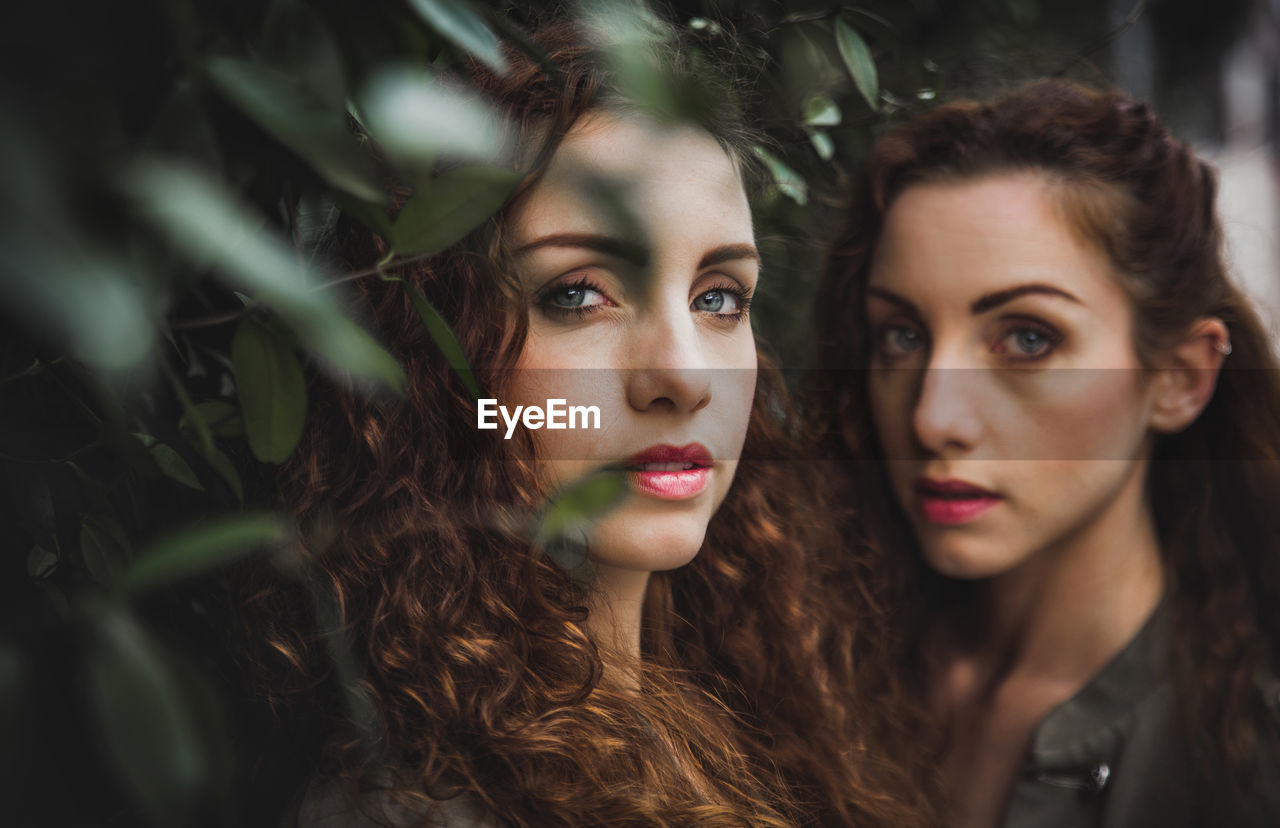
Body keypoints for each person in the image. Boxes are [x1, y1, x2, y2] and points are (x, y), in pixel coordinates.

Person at [247, 14, 928, 828]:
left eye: (719, 298)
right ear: (433, 358)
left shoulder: (760, 727)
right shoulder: (421, 808)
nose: (681, 375)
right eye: (576, 293)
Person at [810, 79, 1280, 827]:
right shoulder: (801, 675)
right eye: (900, 336)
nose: (934, 419)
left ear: (1180, 378)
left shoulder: (1249, 755)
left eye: (1028, 339)